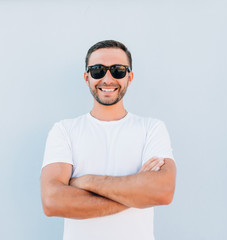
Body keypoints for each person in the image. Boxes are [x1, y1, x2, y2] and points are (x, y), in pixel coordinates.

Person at [40, 40, 176, 240]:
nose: (108, 78)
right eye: (98, 70)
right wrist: (137, 193)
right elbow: (52, 201)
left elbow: (162, 191)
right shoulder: (64, 131)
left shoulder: (151, 129)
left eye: (118, 70)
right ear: (87, 77)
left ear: (129, 77)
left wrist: (85, 181)